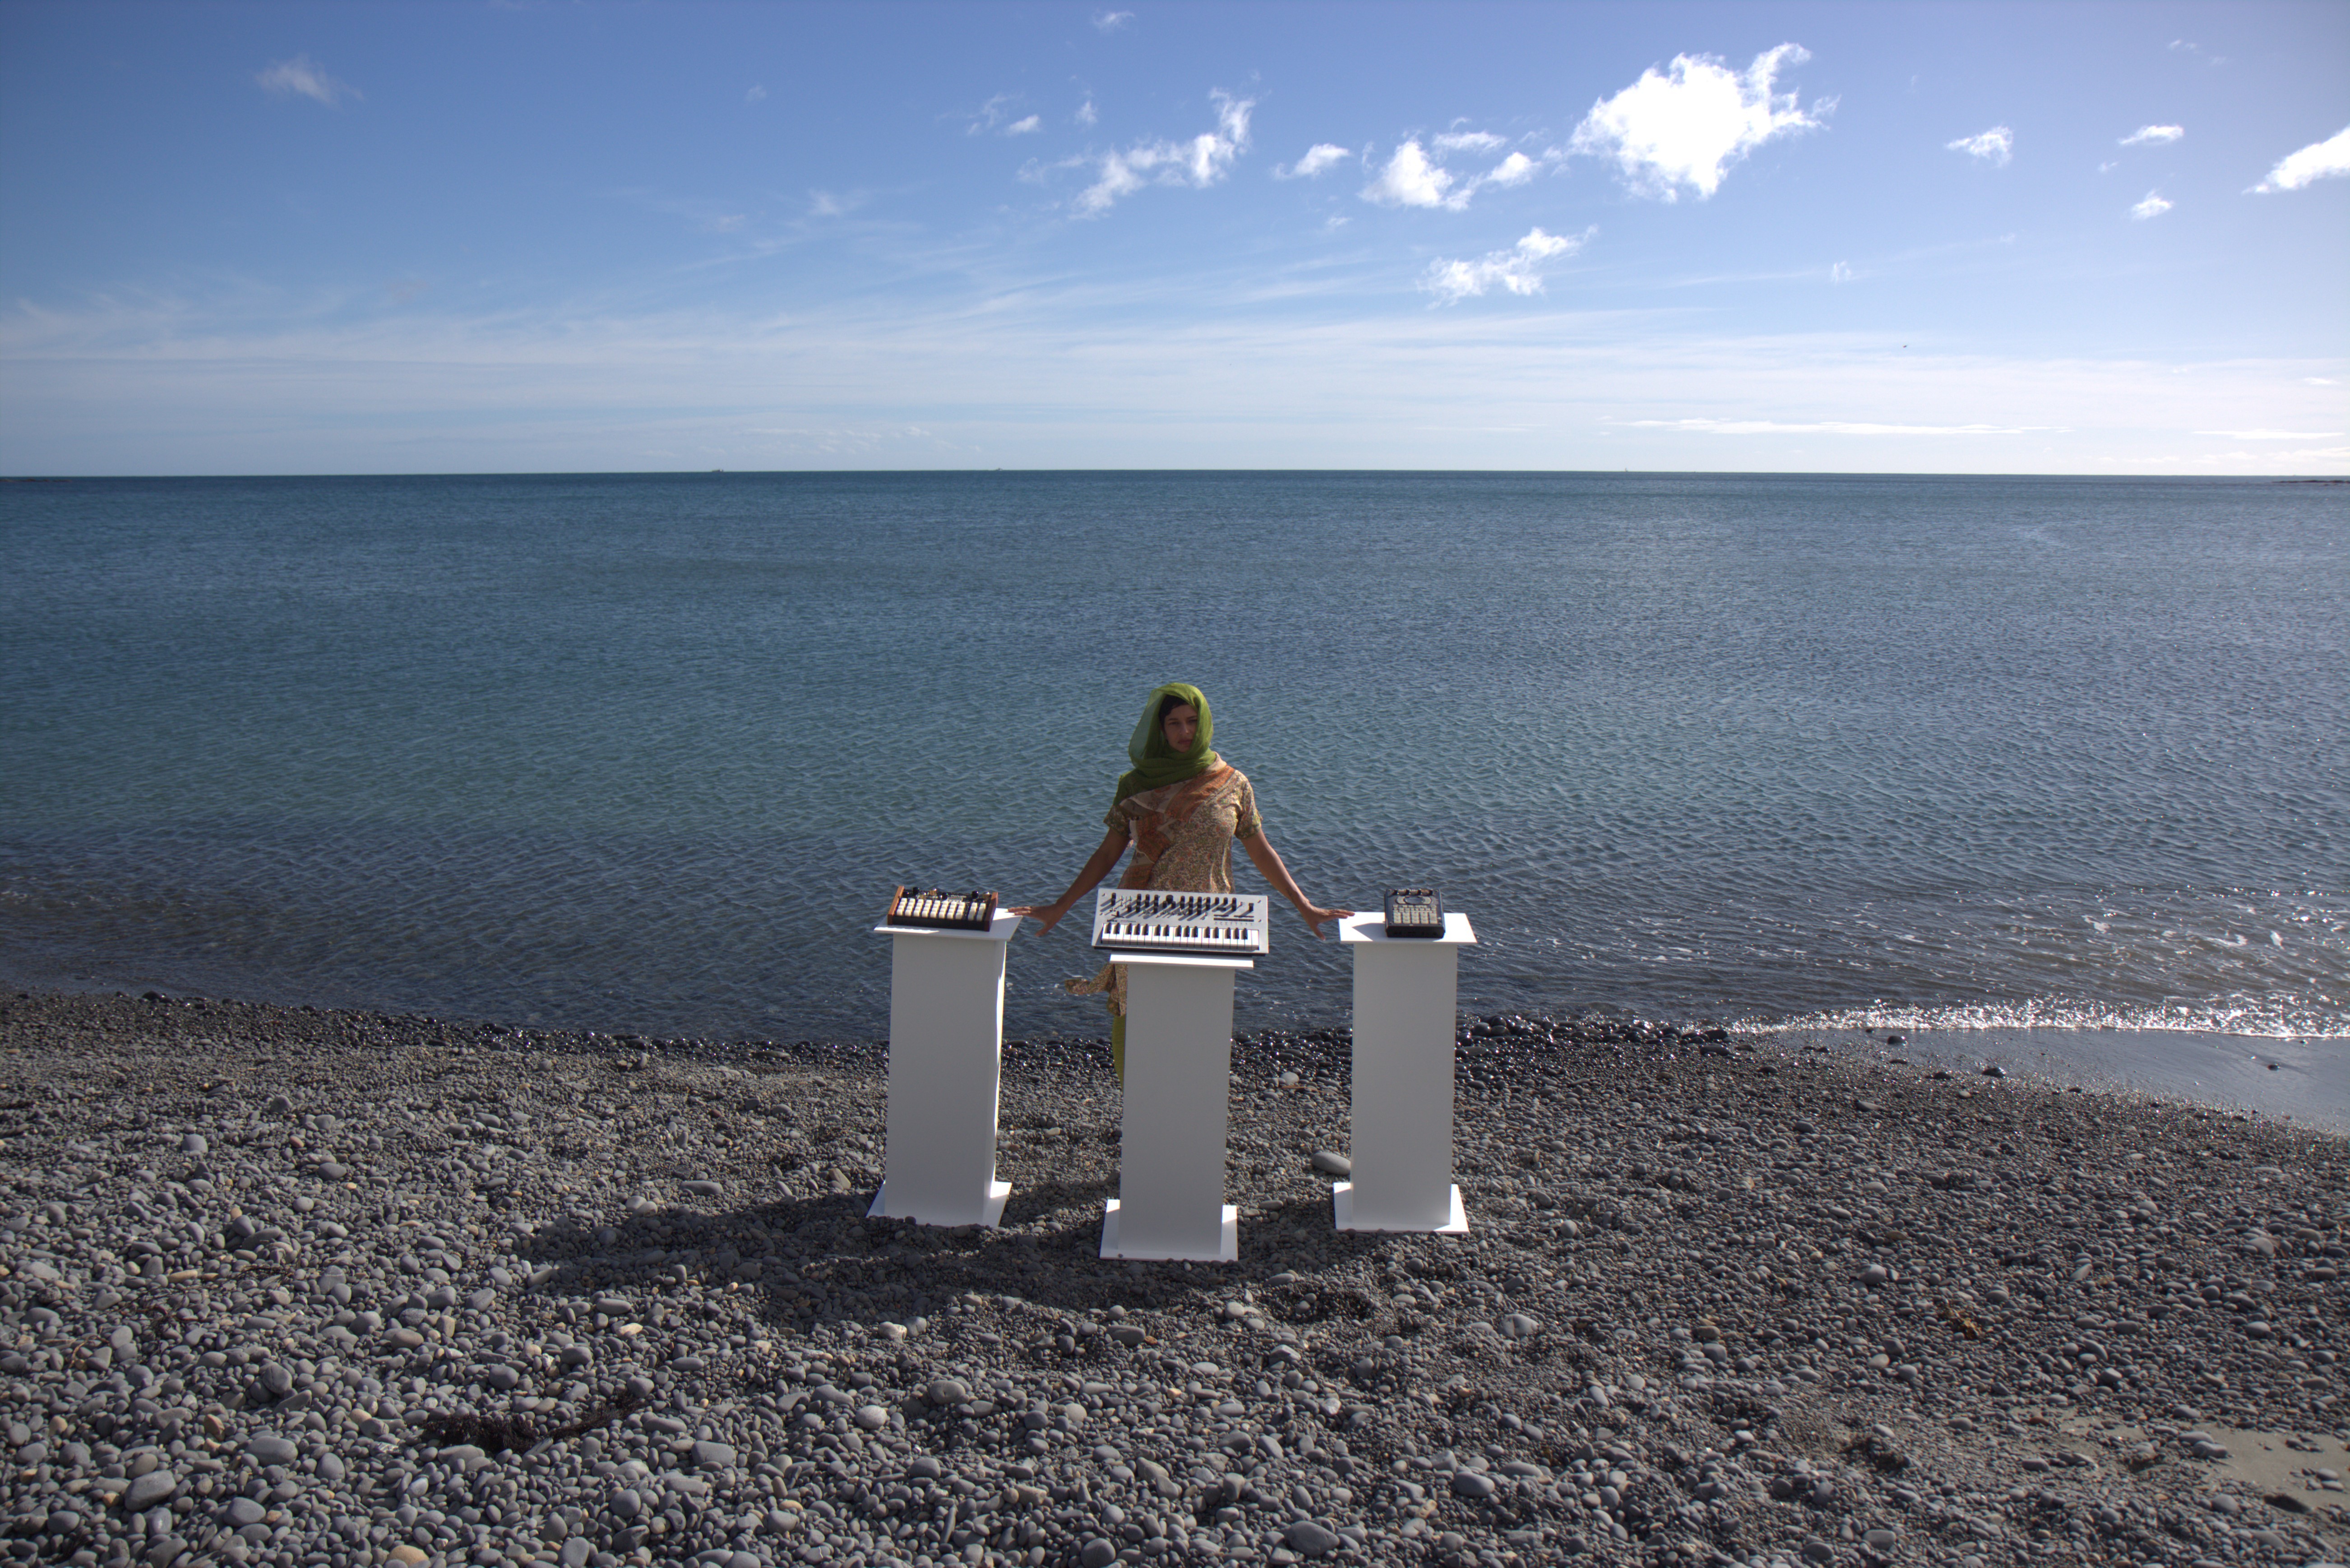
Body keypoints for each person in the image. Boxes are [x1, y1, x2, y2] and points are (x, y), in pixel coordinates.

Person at [1014, 682, 1351, 1080]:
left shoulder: (1233, 783)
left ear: (1205, 723)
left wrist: (1305, 907)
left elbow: (1261, 851)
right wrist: (1061, 906)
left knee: (1199, 1020)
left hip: (1212, 920)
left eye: (1192, 721)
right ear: (1159, 729)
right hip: (1142, 917)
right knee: (1137, 1016)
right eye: (1173, 723)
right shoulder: (1136, 784)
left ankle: (1189, 1118)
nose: (1184, 732)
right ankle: (1141, 1110)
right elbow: (1108, 853)